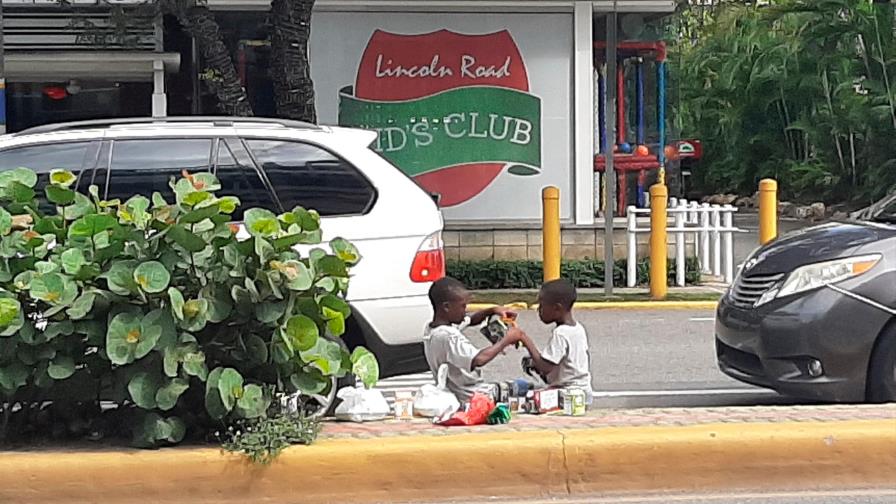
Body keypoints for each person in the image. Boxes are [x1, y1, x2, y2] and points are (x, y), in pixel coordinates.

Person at [424, 277, 519, 402]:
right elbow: (478, 359)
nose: (466, 310)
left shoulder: (432, 328)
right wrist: (506, 340)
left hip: (454, 393)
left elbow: (471, 320)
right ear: (446, 307)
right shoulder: (448, 336)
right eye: (463, 306)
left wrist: (493, 310)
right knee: (524, 388)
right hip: (472, 395)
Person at [511, 279, 593, 405]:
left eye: (542, 306)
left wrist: (524, 338)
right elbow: (554, 365)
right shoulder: (578, 329)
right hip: (583, 392)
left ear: (557, 308)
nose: (539, 310)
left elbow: (545, 367)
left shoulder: (561, 333)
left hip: (567, 394)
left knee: (518, 395)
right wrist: (533, 363)